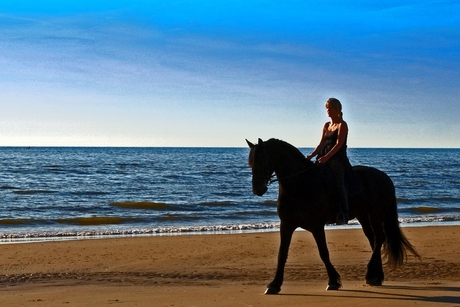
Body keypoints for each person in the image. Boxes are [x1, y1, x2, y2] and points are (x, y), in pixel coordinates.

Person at [306, 98, 352, 225]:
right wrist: (311, 155)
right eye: (327, 107)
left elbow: (338, 144)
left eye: (330, 107)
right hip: (323, 158)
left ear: (336, 109)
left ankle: (344, 213)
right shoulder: (326, 125)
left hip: (337, 159)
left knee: (338, 184)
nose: (327, 110)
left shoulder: (342, 125)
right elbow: (321, 144)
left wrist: (327, 157)